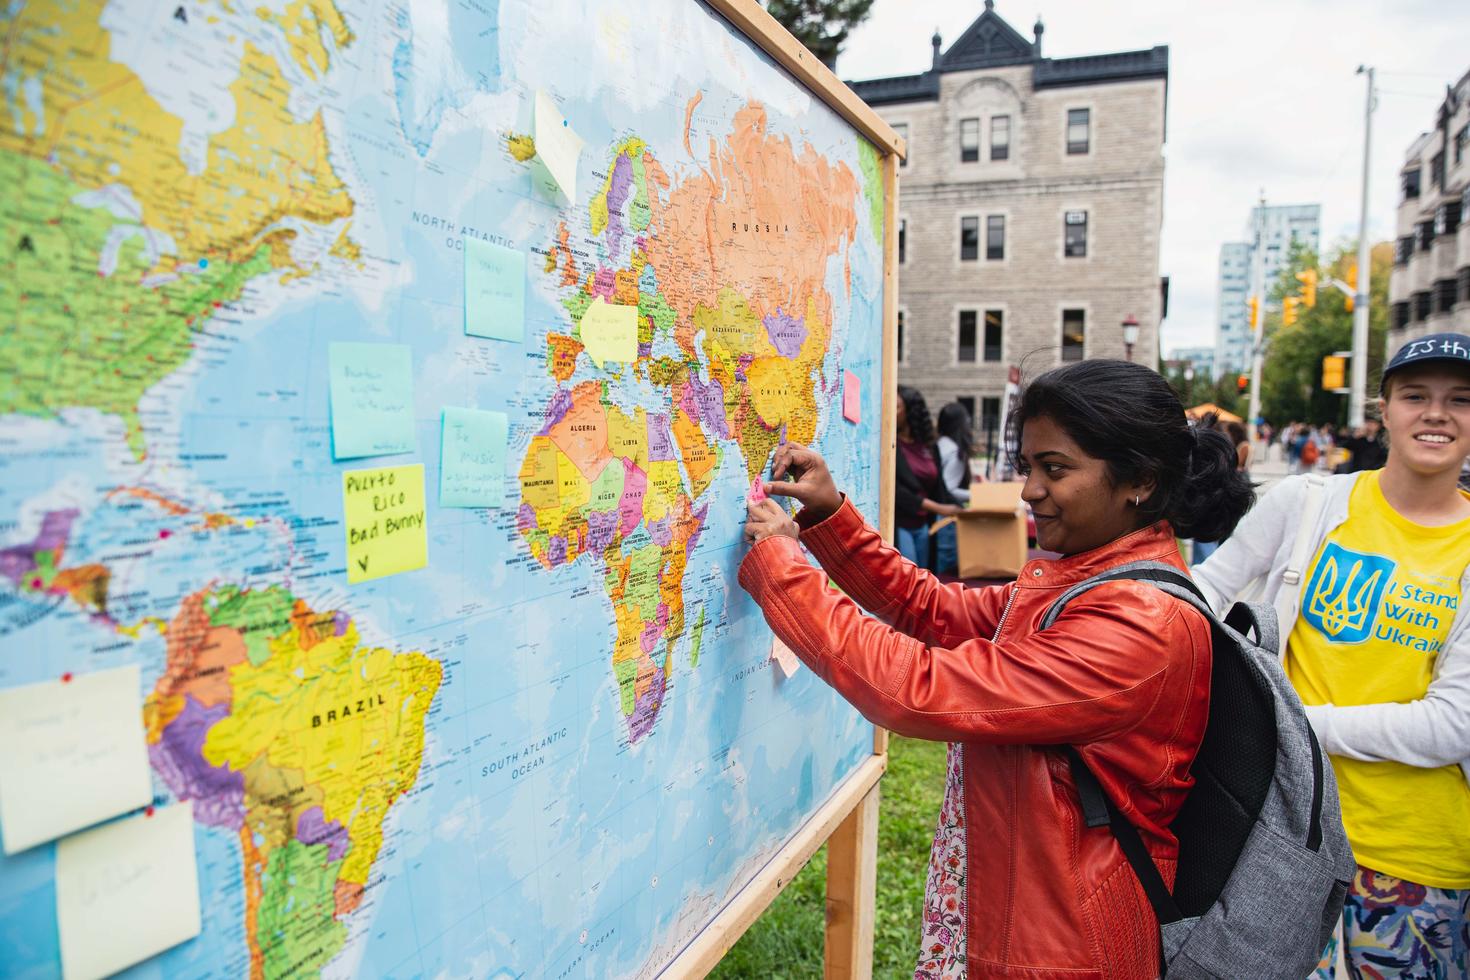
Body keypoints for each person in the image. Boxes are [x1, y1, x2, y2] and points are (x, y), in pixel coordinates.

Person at [741, 360, 1254, 978]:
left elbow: (919, 691)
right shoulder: (1088, 583)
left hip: (1063, 947)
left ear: (1138, 480)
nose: (1028, 491)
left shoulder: (1139, 626)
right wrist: (828, 518)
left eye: (1054, 469)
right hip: (1027, 916)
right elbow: (928, 606)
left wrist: (784, 569)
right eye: (1028, 467)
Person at [1193, 332, 1470, 977]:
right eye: (1415, 396)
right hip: (1282, 837)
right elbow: (1202, 591)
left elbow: (1451, 724)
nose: (1436, 413)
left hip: (1414, 860)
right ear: (1384, 409)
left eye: (1460, 399)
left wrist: (1284, 721)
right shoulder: (1309, 503)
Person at [894, 386, 961, 570]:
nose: (892, 411)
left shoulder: (930, 447)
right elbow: (897, 492)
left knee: (923, 578)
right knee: (908, 577)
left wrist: (964, 509)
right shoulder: (890, 444)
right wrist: (939, 508)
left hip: (924, 526)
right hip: (900, 524)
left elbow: (939, 487)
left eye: (897, 406)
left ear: (910, 410)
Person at [934, 402, 976, 575]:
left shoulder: (939, 444)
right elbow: (950, 489)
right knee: (946, 566)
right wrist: (977, 495)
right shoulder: (955, 451)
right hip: (945, 514)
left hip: (931, 512)